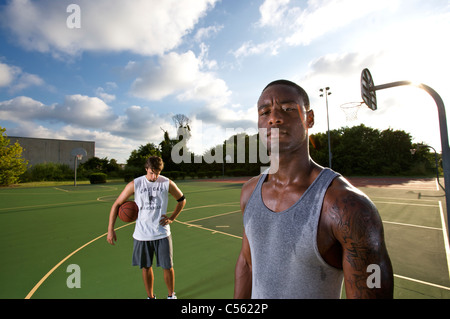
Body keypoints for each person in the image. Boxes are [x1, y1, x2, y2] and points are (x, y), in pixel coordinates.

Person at [234, 80, 393, 299]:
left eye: (288, 109)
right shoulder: (249, 192)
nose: (274, 118)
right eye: (265, 112)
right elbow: (247, 263)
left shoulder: (347, 206)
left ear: (309, 119)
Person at [107, 156, 186, 299]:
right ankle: (150, 297)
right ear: (146, 169)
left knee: (168, 266)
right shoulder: (135, 184)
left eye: (157, 172)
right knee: (146, 267)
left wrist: (172, 218)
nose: (154, 176)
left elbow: (182, 200)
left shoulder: (166, 183)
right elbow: (116, 205)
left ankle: (171, 295)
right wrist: (110, 229)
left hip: (162, 233)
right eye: (151, 172)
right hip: (142, 234)